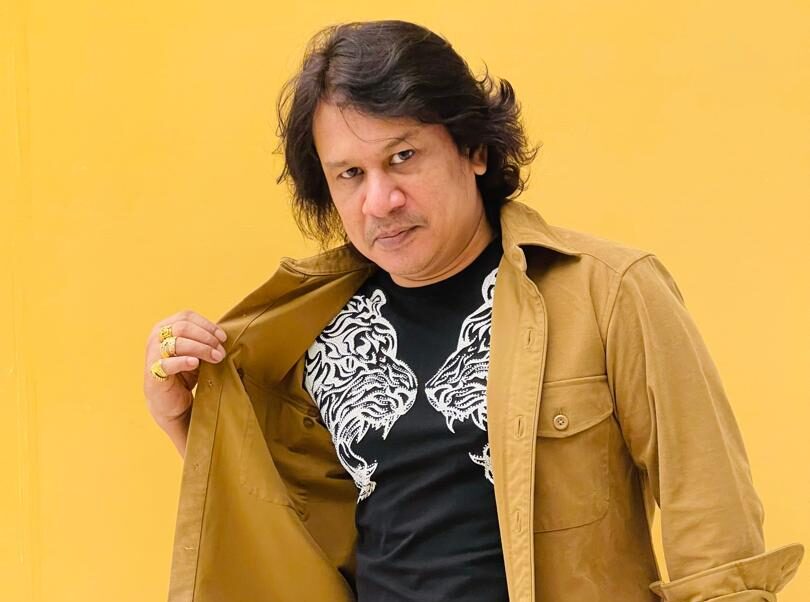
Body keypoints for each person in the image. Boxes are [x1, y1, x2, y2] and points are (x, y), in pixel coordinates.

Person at [142, 19, 804, 602]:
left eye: (403, 157)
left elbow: (716, 537)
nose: (380, 201)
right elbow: (291, 538)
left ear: (475, 150)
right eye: (351, 174)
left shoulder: (610, 293)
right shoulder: (310, 333)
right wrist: (187, 420)